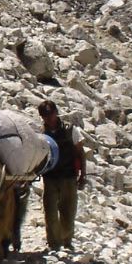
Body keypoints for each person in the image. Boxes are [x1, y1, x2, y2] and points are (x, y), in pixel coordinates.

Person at [38, 99, 86, 250]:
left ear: (56, 113)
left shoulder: (70, 130)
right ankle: (53, 243)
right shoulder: (41, 133)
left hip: (68, 176)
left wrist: (83, 174)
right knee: (50, 211)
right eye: (45, 116)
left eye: (50, 114)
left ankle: (66, 240)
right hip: (50, 177)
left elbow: (80, 152)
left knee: (68, 211)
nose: (49, 118)